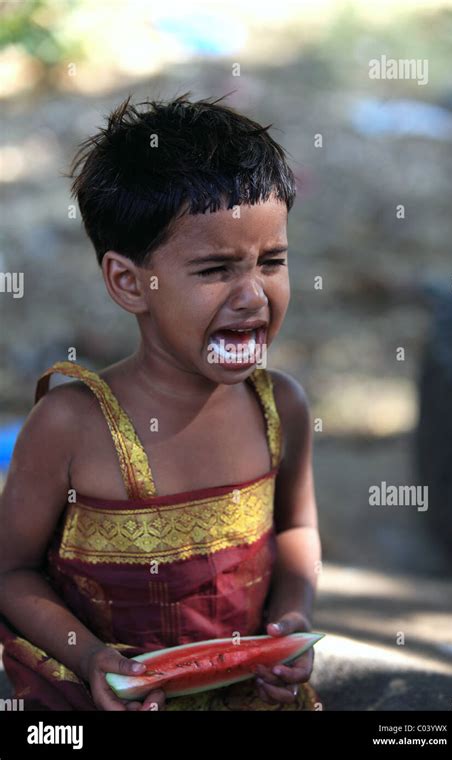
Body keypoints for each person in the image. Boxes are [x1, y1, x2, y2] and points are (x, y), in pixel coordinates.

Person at [0, 93, 322, 711]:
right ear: (129, 282)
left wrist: (289, 625)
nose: (253, 296)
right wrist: (92, 659)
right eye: (215, 270)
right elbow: (10, 572)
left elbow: (297, 528)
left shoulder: (281, 407)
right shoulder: (71, 425)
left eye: (272, 262)